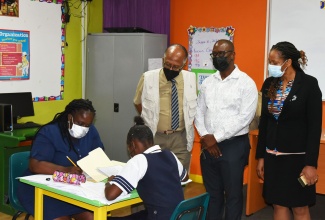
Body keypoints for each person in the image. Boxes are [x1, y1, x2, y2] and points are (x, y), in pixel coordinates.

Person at [256, 41, 322, 220]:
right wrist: (261, 156)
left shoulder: (308, 84)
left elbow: (314, 127)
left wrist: (310, 164)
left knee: (300, 208)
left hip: (297, 159)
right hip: (273, 157)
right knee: (278, 204)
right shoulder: (269, 83)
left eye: (275, 62)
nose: (271, 66)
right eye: (270, 62)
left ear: (288, 62)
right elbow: (265, 123)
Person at [195, 39, 258, 220]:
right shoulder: (208, 82)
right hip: (208, 145)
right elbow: (199, 112)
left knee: (233, 195)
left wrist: (216, 137)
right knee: (213, 195)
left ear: (232, 55)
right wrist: (206, 137)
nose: (218, 57)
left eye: (222, 54)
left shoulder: (246, 83)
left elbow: (244, 117)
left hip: (233, 146)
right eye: (215, 54)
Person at [18, 99, 104, 220]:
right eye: (80, 123)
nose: (84, 128)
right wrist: (65, 169)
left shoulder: (91, 132)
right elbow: (35, 165)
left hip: (76, 190)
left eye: (87, 125)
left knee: (93, 217)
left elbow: (98, 155)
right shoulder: (50, 132)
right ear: (70, 117)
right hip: (42, 190)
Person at [105, 116, 188, 220]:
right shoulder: (170, 154)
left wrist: (109, 183)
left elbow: (110, 195)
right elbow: (184, 177)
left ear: (133, 145)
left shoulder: (138, 160)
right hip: (179, 216)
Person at [133, 44, 197, 170]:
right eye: (168, 64)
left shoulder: (191, 78)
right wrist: (148, 120)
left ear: (183, 64)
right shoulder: (148, 77)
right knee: (153, 173)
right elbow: (137, 102)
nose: (171, 68)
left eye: (176, 66)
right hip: (155, 136)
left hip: (180, 138)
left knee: (180, 177)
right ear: (163, 60)